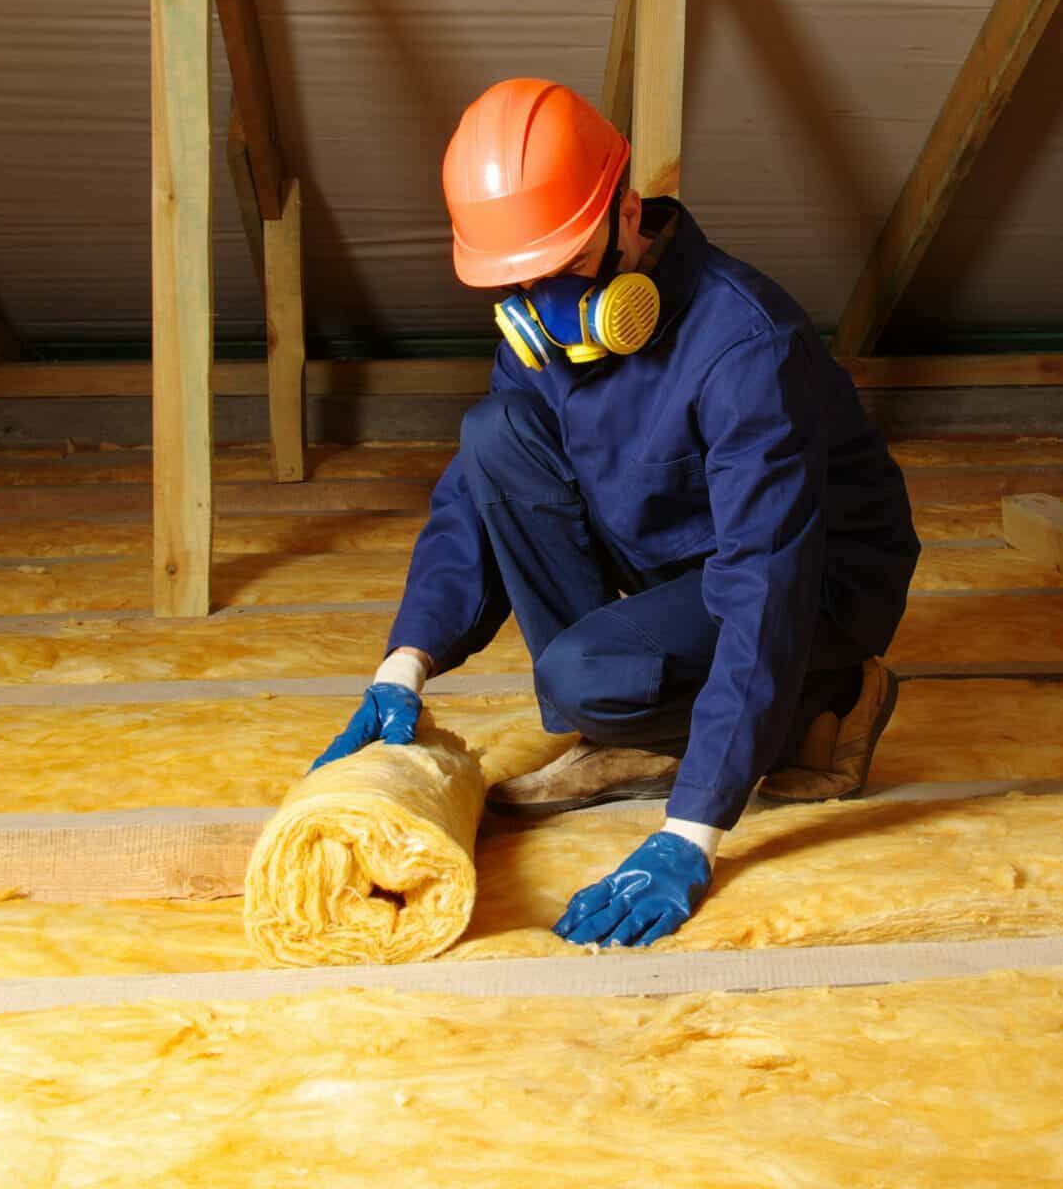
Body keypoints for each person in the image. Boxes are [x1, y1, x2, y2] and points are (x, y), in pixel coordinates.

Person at [312, 78, 920, 947]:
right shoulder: (541, 325)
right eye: (517, 280)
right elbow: (476, 498)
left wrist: (691, 832)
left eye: (562, 269)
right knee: (494, 433)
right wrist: (403, 666)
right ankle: (632, 716)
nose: (539, 302)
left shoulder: (745, 346)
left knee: (581, 676)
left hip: (814, 575)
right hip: (673, 543)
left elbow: (764, 578)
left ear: (628, 214)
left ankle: (827, 698)